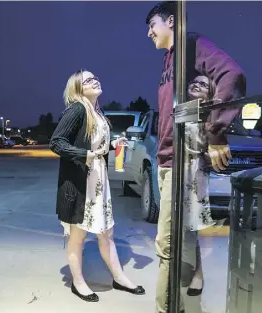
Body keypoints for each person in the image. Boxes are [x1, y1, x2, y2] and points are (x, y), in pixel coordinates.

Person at [145, 2, 246, 312]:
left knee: (166, 246)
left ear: (171, 21)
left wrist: (216, 131)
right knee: (182, 239)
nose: (149, 33)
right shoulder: (169, 61)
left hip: (182, 162)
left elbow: (232, 75)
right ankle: (189, 295)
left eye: (153, 26)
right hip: (165, 161)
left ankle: (164, 309)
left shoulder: (193, 46)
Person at [50, 69, 145, 302]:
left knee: (107, 233)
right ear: (78, 88)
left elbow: (95, 144)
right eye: (88, 80)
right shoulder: (77, 109)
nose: (95, 81)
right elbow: (56, 142)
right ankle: (78, 283)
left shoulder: (97, 112)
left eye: (95, 77)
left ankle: (119, 278)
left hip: (98, 183)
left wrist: (113, 144)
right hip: (80, 184)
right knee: (78, 237)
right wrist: (85, 154)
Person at [184, 74, 216, 296]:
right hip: (178, 171)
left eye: (203, 84)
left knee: (200, 228)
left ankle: (199, 274)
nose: (196, 85)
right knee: (177, 226)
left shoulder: (214, 115)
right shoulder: (183, 110)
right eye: (194, 82)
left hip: (199, 174)